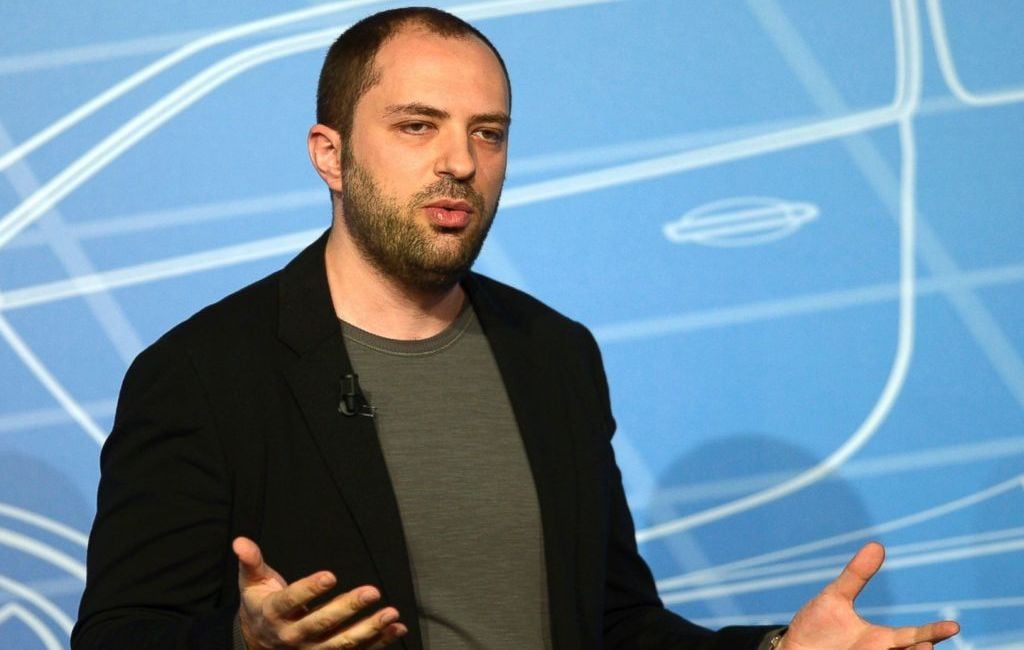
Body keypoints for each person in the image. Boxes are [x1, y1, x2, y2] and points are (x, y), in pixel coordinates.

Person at [73, 7, 960, 650]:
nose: (460, 161)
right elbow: (117, 637)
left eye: (488, 133)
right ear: (330, 155)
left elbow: (615, 624)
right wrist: (242, 642)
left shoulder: (554, 356)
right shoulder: (202, 374)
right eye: (417, 126)